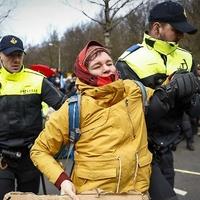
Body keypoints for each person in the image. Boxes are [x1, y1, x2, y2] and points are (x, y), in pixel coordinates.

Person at [30, 40, 200, 200]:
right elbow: (39, 150)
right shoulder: (74, 108)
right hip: (94, 195)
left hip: (137, 192)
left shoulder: (134, 90)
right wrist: (63, 180)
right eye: (97, 66)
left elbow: (161, 95)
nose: (106, 69)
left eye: (109, 63)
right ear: (85, 73)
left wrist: (177, 78)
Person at [116, 1, 199, 200]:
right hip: (138, 150)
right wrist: (169, 91)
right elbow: (128, 116)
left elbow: (194, 110)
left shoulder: (186, 58)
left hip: (168, 148)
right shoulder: (129, 61)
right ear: (156, 28)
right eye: (176, 30)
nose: (181, 35)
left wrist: (193, 99)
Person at [0, 35, 66, 200]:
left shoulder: (37, 80)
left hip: (31, 156)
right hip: (2, 157)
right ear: (0, 55)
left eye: (19, 55)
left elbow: (65, 107)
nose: (15, 60)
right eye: (10, 55)